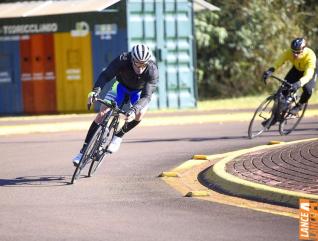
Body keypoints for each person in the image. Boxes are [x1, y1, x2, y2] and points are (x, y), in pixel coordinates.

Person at [72, 44, 159, 166]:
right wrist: (95, 91)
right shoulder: (123, 59)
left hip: (138, 93)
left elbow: (147, 96)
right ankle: (82, 153)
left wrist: (134, 109)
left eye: (143, 64)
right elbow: (106, 75)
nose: (140, 68)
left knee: (139, 115)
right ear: (132, 59)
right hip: (120, 87)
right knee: (102, 114)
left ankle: (118, 136)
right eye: (137, 64)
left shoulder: (152, 70)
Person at [263, 37, 317, 119]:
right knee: (283, 89)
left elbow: (308, 75)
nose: (295, 54)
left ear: (304, 49)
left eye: (298, 52)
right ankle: (276, 115)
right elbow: (279, 61)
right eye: (293, 52)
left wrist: (299, 83)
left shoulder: (310, 56)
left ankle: (299, 106)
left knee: (308, 90)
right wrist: (270, 70)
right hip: (296, 69)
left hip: (309, 71)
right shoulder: (289, 52)